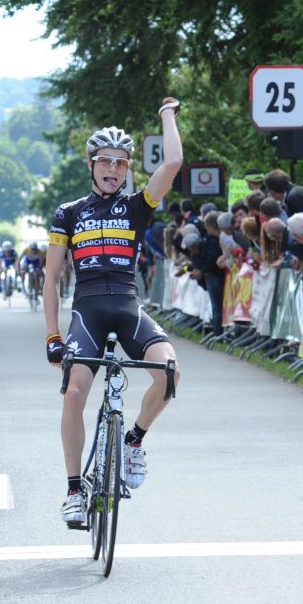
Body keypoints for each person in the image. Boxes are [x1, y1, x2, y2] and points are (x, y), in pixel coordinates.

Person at [45, 97, 184, 526]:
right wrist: (52, 336)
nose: (112, 169)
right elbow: (52, 280)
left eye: (121, 164)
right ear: (91, 165)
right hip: (87, 311)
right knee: (74, 394)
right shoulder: (69, 213)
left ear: (128, 169)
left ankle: (134, 440)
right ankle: (73, 490)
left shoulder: (139, 206)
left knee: (171, 373)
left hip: (127, 306)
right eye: (104, 161)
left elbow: (174, 160)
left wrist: (166, 114)